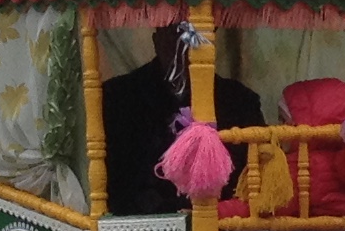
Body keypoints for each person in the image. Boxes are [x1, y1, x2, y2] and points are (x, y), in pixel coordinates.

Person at [102, 23, 263, 216]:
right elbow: (116, 179)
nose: (183, 46)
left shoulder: (240, 101)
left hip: (222, 227)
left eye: (192, 37)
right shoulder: (119, 96)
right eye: (174, 34)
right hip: (142, 228)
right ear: (157, 40)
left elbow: (253, 179)